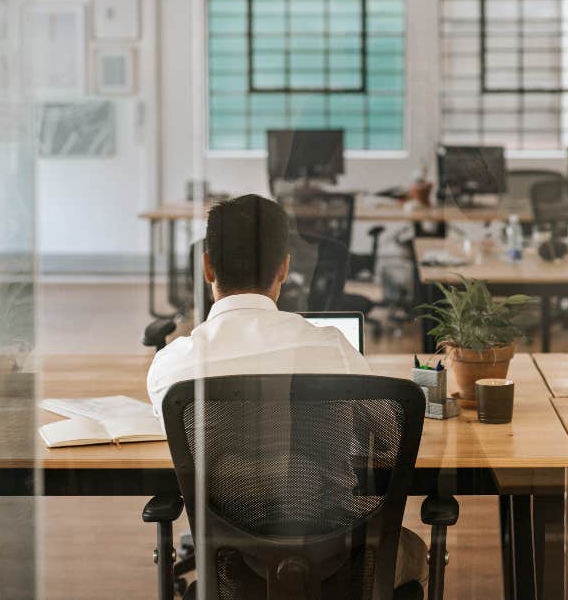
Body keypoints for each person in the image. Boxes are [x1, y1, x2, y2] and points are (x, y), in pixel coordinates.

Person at [147, 193, 428, 594]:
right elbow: (386, 438)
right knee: (415, 550)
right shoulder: (332, 348)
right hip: (337, 561)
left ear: (207, 266)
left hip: (234, 569)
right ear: (284, 267)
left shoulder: (173, 368)